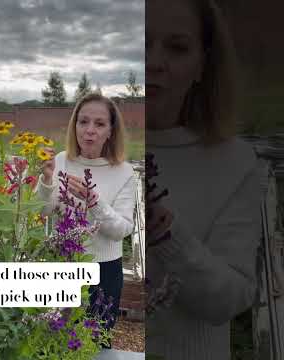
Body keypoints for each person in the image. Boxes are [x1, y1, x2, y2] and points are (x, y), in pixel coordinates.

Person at [146, 0, 265, 359]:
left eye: (177, 47)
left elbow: (228, 301)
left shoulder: (235, 163)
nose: (152, 62)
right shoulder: (83, 148)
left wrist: (165, 232)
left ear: (202, 64)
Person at [35, 93, 137, 334]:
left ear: (111, 131)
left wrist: (93, 201)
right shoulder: (60, 161)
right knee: (53, 338)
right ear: (75, 125)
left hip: (103, 273)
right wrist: (47, 180)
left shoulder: (124, 172)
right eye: (83, 122)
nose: (89, 130)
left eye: (99, 124)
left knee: (95, 343)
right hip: (62, 263)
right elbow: (42, 210)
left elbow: (121, 230)